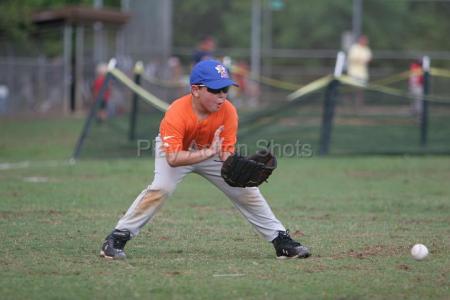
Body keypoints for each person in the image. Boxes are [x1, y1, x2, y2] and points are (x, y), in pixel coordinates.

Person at [100, 60, 311, 260]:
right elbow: (173, 158)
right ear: (196, 90)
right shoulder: (177, 112)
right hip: (177, 150)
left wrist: (236, 167)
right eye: (214, 90)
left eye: (225, 90)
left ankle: (281, 241)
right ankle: (117, 238)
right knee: (161, 188)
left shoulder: (228, 111)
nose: (221, 96)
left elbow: (225, 152)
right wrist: (209, 152)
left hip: (212, 150)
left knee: (247, 192)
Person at [347, 35, 372, 108]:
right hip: (353, 72)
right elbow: (352, 58)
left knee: (360, 89)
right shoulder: (354, 48)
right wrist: (361, 60)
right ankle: (350, 103)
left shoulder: (366, 49)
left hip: (362, 73)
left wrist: (360, 60)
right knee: (351, 88)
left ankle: (359, 104)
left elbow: (368, 59)